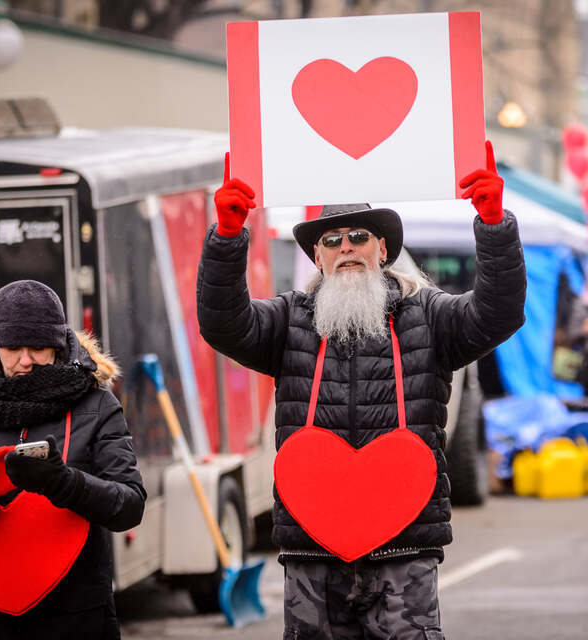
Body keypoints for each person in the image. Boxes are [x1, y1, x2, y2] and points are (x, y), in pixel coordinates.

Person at [196, 144, 525, 639]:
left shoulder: (429, 316)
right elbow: (223, 322)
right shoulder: (288, 321)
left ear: (382, 249)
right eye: (332, 240)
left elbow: (497, 313)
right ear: (317, 256)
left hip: (404, 546)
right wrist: (226, 238)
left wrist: (495, 228)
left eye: (358, 236)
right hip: (311, 546)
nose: (345, 247)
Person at [0, 280, 146, 639]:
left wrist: (66, 483)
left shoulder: (98, 405)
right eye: (12, 347)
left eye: (37, 346)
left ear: (55, 345)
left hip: (77, 618)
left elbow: (130, 505)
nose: (25, 360)